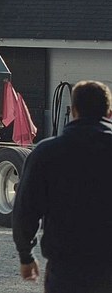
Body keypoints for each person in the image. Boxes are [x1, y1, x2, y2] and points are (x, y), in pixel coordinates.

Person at [12, 80, 112, 292]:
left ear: (74, 111)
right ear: (109, 113)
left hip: (66, 270)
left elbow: (25, 209)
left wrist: (26, 255)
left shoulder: (46, 153)